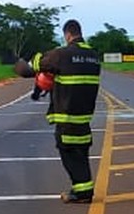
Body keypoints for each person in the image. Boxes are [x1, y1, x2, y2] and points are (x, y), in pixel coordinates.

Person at [30, 19, 101, 204]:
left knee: (69, 154)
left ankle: (82, 192)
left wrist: (36, 55)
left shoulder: (62, 54)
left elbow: (39, 64)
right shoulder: (93, 55)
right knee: (81, 153)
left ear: (67, 34)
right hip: (84, 116)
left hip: (67, 116)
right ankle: (82, 189)